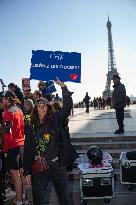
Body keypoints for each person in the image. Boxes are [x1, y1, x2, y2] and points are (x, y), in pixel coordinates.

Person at [23, 78, 77, 205]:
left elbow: (68, 105)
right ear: (35, 109)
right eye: (39, 106)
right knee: (39, 200)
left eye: (44, 106)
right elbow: (28, 149)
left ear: (48, 108)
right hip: (39, 166)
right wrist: (27, 172)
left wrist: (63, 87)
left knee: (64, 198)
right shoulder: (30, 126)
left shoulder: (56, 119)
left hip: (57, 164)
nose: (41, 108)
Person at [2, 90, 25, 205]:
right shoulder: (19, 110)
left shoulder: (8, 112)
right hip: (21, 145)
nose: (2, 100)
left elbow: (8, 134)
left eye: (3, 98)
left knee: (15, 177)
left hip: (13, 147)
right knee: (21, 173)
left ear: (7, 99)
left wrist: (5, 149)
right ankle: (23, 196)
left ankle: (19, 200)